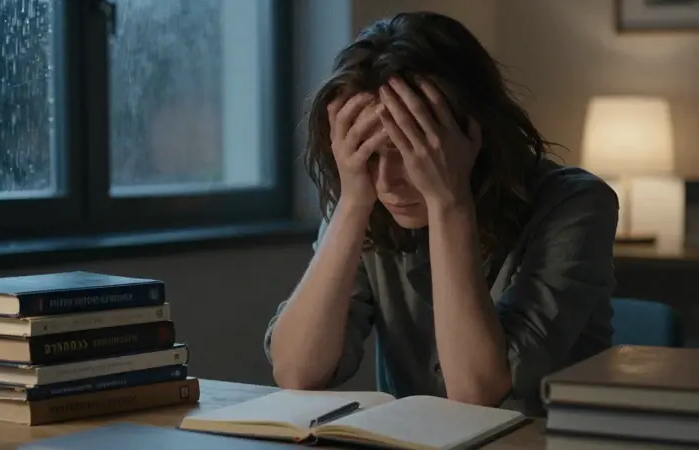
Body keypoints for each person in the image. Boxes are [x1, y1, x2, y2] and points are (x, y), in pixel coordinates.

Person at [263, 11, 618, 417]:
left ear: (472, 134)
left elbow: (474, 390)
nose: (387, 182)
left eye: (406, 152)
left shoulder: (577, 205)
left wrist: (449, 201)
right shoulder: (368, 196)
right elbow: (297, 372)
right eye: (369, 154)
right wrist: (351, 205)